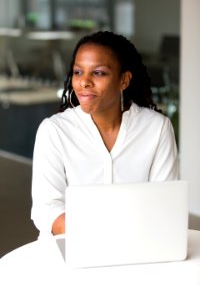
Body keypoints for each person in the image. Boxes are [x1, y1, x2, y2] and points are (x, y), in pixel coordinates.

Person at [31, 31, 179, 237]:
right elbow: (46, 209)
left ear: (124, 80)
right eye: (78, 72)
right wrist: (99, 236)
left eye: (98, 73)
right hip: (71, 246)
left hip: (138, 246)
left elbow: (164, 203)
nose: (84, 82)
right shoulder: (54, 131)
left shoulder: (156, 128)